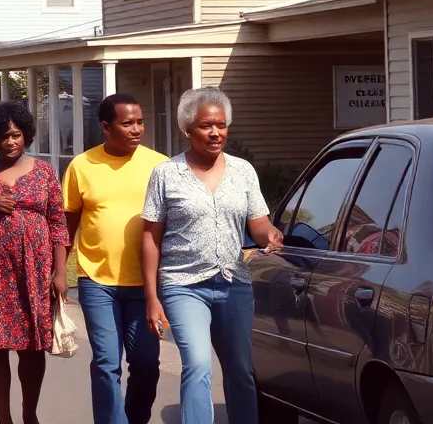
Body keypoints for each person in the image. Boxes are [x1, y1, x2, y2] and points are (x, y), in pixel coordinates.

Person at [141, 87, 284, 424]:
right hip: (183, 284)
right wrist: (151, 297)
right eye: (206, 126)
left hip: (234, 282)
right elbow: (150, 237)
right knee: (198, 364)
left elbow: (258, 222)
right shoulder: (166, 174)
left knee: (240, 370)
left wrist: (271, 235)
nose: (216, 132)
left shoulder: (243, 171)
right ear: (187, 129)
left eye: (221, 125)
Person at [0, 101, 69, 424]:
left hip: (35, 271)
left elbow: (58, 224)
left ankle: (29, 412)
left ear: (26, 135)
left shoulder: (45, 172)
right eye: (4, 136)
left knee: (32, 346)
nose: (11, 142)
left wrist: (60, 272)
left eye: (17, 135)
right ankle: (4, 418)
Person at [63, 93, 168, 424]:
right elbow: (68, 225)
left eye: (139, 122)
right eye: (127, 123)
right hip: (97, 281)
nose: (136, 129)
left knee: (146, 364)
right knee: (107, 362)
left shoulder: (160, 165)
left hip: (145, 285)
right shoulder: (82, 165)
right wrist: (55, 274)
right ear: (106, 127)